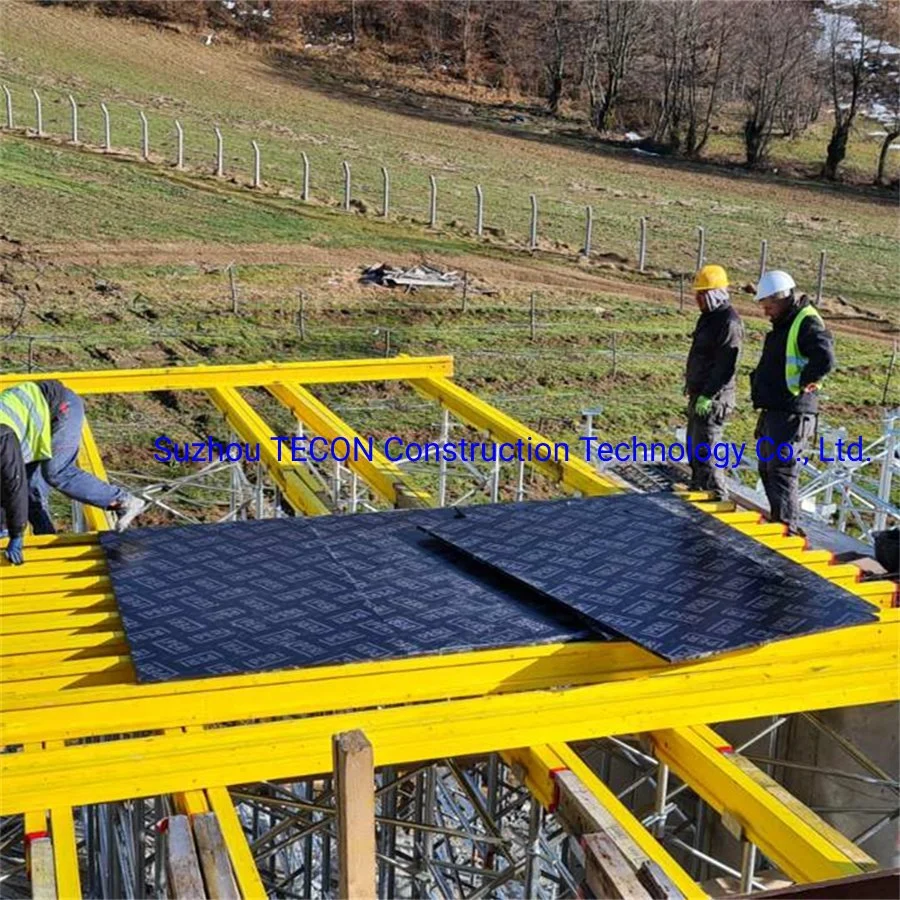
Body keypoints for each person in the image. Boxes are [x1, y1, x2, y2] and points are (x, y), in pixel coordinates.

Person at [0, 380, 146, 565]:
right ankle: (48, 550)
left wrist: (15, 534)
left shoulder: (1, 437)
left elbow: (13, 484)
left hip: (61, 408)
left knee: (57, 471)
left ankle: (124, 501)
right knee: (31, 494)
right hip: (33, 425)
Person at [750, 270, 835, 535]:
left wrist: (807, 380)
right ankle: (780, 520)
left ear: (783, 298)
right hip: (777, 408)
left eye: (769, 306)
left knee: (782, 469)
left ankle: (787, 528)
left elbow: (825, 358)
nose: (766, 312)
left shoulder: (805, 321)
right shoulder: (787, 321)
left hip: (792, 411)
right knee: (767, 466)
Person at [684, 264, 743, 499]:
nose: (697, 299)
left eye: (701, 294)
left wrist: (709, 394)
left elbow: (726, 365)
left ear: (713, 294)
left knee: (707, 449)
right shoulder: (707, 319)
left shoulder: (729, 322)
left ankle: (717, 495)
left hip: (715, 399)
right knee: (695, 448)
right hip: (699, 394)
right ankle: (699, 489)